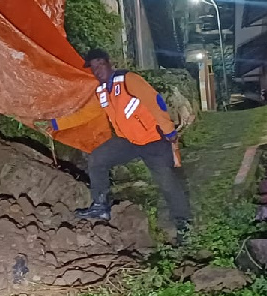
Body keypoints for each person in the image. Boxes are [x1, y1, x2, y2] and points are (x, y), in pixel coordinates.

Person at [42, 48, 192, 238]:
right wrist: (55, 124)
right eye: (93, 68)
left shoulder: (129, 80)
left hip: (154, 140)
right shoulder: (101, 92)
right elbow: (85, 114)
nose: (97, 70)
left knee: (167, 181)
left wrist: (168, 129)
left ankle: (183, 222)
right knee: (98, 159)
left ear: (109, 63)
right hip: (128, 140)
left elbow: (154, 101)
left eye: (100, 64)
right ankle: (100, 206)